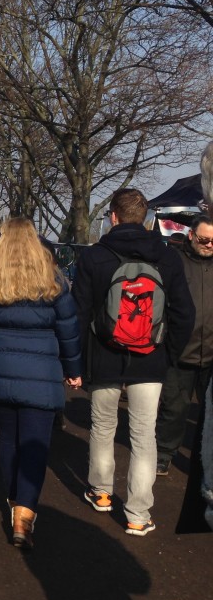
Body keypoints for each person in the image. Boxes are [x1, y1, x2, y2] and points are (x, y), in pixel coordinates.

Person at [73, 188, 195, 536]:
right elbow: (184, 313)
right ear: (145, 218)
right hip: (151, 357)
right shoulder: (168, 256)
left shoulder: (95, 257)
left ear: (112, 216)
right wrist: (168, 352)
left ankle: (101, 492)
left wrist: (76, 363)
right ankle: (138, 515)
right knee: (144, 436)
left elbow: (79, 313)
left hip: (103, 355)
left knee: (103, 427)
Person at [0, 218, 83, 549]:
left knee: (8, 441)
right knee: (35, 445)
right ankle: (24, 514)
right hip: (42, 371)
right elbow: (68, 330)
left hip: (0, 365)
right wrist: (73, 368)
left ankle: (13, 498)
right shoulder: (54, 280)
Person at [156, 214, 213, 477]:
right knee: (174, 408)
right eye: (204, 239)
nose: (209, 245)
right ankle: (165, 453)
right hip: (180, 351)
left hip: (211, 354)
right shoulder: (174, 262)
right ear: (191, 235)